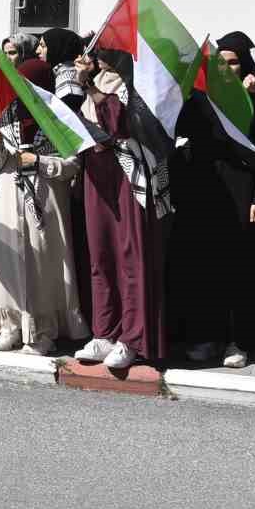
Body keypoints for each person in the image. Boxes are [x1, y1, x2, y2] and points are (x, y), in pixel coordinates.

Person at [168, 31, 255, 368]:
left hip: (243, 190)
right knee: (207, 270)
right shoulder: (203, 98)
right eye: (223, 62)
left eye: (234, 62)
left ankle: (240, 342)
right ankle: (207, 337)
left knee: (241, 271)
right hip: (204, 190)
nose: (228, 68)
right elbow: (180, 127)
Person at [70, 51, 174, 370]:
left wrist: (88, 85)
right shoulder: (89, 84)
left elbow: (118, 123)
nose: (97, 59)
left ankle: (133, 337)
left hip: (129, 175)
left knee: (130, 257)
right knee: (101, 255)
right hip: (95, 174)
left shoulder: (139, 86)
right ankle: (105, 331)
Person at [0, 59, 87, 354]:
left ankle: (44, 331)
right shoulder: (7, 113)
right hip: (7, 195)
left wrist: (39, 162)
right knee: (8, 259)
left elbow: (73, 165)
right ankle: (11, 324)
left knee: (44, 263)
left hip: (46, 198)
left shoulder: (58, 117)